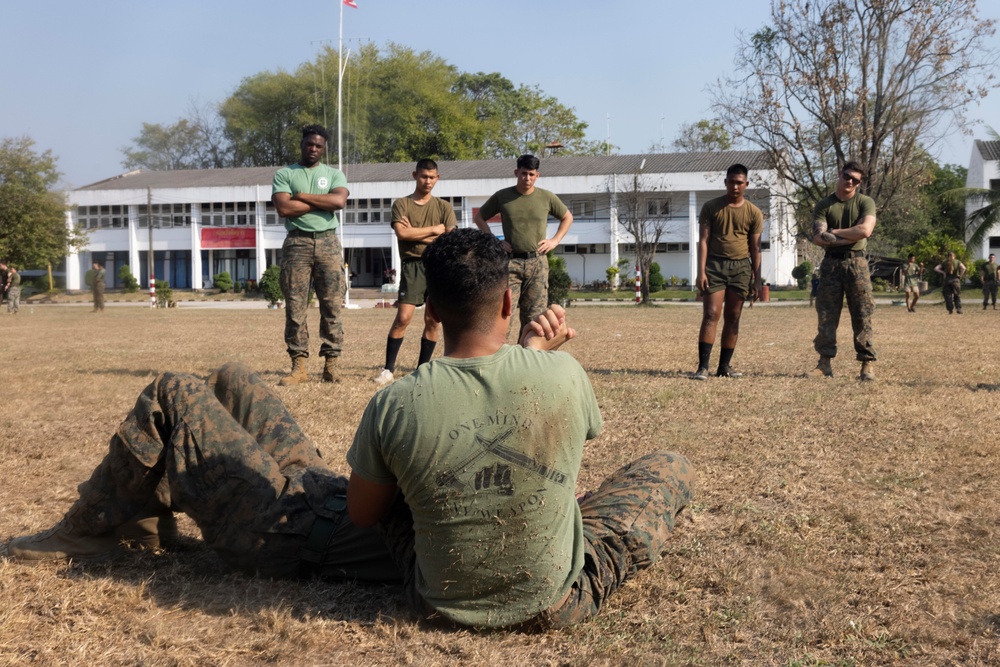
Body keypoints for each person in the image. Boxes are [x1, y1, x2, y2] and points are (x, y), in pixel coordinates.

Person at [346, 228, 694, 630]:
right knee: (671, 465)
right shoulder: (564, 372)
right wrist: (535, 358)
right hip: (556, 601)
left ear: (432, 312)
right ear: (509, 301)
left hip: (436, 604)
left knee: (386, 480)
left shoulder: (394, 403)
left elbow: (363, 512)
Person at [6, 362, 400, 584]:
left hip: (293, 533)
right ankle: (147, 512)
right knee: (233, 379)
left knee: (170, 391)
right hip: (327, 494)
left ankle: (83, 530)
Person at [271, 125, 349, 385]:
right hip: (297, 244)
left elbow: (338, 202)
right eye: (309, 144)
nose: (313, 149)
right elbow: (283, 208)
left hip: (328, 242)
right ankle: (299, 366)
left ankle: (331, 364)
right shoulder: (285, 174)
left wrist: (301, 196)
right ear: (302, 144)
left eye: (318, 145)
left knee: (332, 306)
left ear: (324, 148)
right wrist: (321, 200)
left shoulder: (334, 174)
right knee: (295, 307)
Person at [374, 159, 457, 386]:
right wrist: (434, 230)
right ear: (415, 175)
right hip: (413, 265)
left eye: (431, 177)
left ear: (437, 178)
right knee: (403, 318)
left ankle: (423, 370)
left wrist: (416, 232)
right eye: (423, 176)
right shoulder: (402, 204)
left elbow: (449, 238)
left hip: (439, 265)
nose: (427, 181)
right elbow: (403, 235)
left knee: (433, 320)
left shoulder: (444, 207)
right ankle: (388, 370)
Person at [473, 154, 574, 332]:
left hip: (537, 263)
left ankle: (527, 355)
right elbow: (479, 217)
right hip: (510, 263)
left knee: (534, 318)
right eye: (524, 173)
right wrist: (493, 240)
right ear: (516, 172)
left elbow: (567, 217)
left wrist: (555, 241)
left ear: (537, 175)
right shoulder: (503, 196)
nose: (527, 178)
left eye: (531, 174)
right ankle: (502, 356)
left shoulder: (546, 197)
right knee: (505, 314)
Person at [692, 163, 763, 380]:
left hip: (741, 268)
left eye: (739, 182)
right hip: (714, 265)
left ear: (746, 184)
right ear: (725, 182)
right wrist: (701, 271)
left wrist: (757, 279)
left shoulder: (754, 212)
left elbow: (755, 248)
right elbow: (703, 240)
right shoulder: (711, 207)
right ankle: (703, 367)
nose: (735, 186)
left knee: (733, 317)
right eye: (731, 181)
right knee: (711, 314)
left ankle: (724, 366)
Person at [808, 161, 877, 381]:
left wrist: (835, 233)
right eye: (847, 176)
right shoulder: (824, 205)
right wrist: (848, 235)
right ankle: (824, 364)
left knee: (862, 314)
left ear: (859, 183)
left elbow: (865, 230)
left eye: (855, 180)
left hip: (857, 264)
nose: (850, 182)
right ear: (839, 174)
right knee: (827, 315)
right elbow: (819, 238)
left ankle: (867, 364)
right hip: (830, 265)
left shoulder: (865, 202)